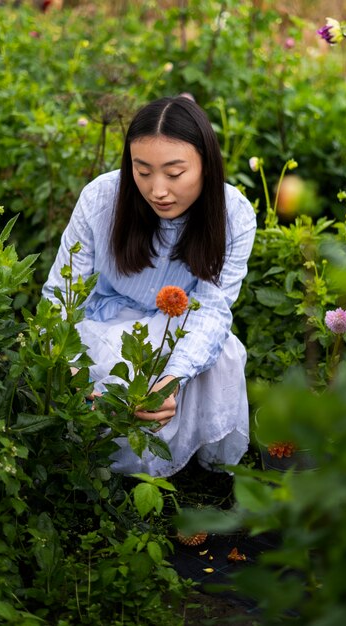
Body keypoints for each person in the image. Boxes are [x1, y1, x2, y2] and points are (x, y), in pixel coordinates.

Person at [42, 96, 256, 477]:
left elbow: (210, 309)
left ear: (207, 164)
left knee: (222, 354)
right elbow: (61, 292)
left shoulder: (232, 213)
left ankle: (188, 461)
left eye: (174, 174)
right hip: (107, 320)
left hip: (180, 325)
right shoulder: (102, 198)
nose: (158, 190)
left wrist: (173, 379)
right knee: (103, 371)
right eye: (142, 172)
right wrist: (67, 366)